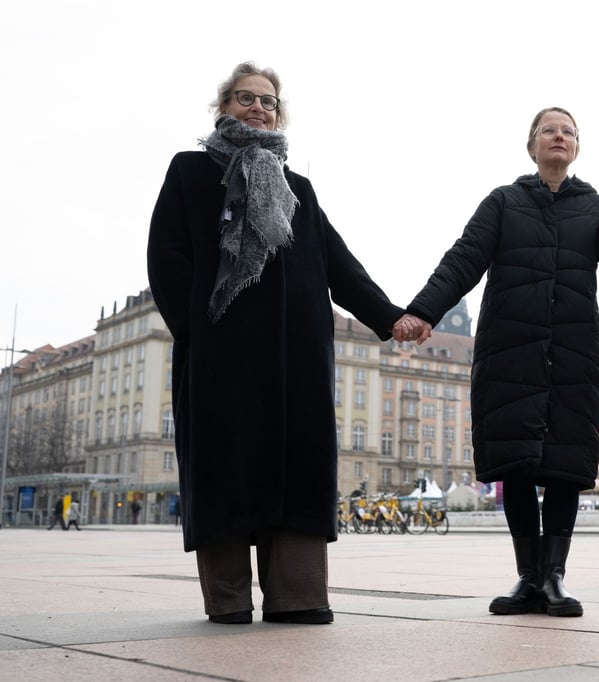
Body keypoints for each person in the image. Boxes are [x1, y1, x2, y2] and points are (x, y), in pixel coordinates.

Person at [395, 107, 599, 617]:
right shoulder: (503, 203)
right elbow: (462, 259)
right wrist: (424, 311)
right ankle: (527, 578)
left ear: (576, 147)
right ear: (531, 146)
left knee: (563, 467)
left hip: (572, 356)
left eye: (568, 131)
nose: (559, 136)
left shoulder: (597, 210)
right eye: (549, 130)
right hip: (509, 354)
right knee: (515, 464)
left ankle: (553, 577)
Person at [147, 62, 405, 625]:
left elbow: (339, 264)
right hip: (222, 354)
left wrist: (392, 317)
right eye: (246, 98)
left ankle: (297, 595)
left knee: (298, 469)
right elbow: (166, 256)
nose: (259, 108)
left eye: (269, 101)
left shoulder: (298, 189)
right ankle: (230, 598)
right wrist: (196, 329)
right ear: (223, 106)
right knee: (226, 466)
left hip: (297, 359)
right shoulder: (190, 170)